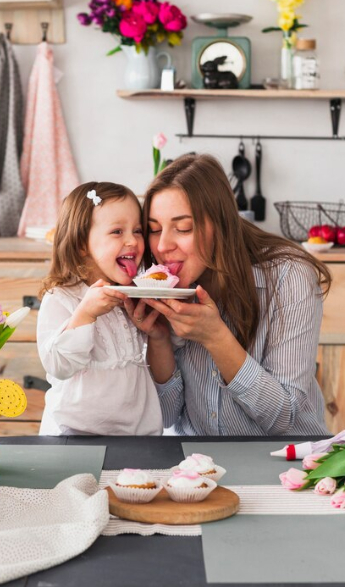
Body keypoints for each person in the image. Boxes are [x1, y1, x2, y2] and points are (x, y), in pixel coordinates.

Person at [125, 154, 331, 436]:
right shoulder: (162, 284)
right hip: (199, 468)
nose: (162, 246)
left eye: (183, 228)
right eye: (154, 229)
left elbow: (283, 417)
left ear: (220, 225)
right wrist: (159, 340)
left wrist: (216, 337)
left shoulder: (289, 276)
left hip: (285, 462)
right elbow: (166, 416)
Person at [37, 182, 162, 436]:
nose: (132, 241)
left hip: (137, 436)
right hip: (74, 435)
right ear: (82, 244)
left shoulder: (130, 296)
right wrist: (85, 315)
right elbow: (57, 365)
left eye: (137, 230)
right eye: (117, 231)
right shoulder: (61, 298)